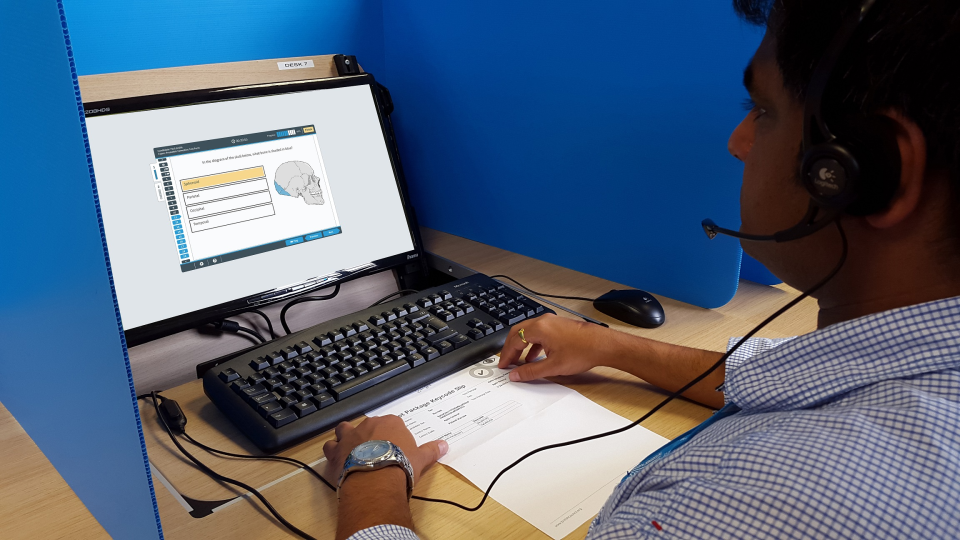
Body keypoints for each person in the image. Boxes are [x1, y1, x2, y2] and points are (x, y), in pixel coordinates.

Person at [323, 0, 960, 538]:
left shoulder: (757, 507)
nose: (739, 141)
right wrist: (609, 347)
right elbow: (790, 377)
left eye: (763, 109)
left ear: (868, 170)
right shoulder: (916, 359)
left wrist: (373, 476)